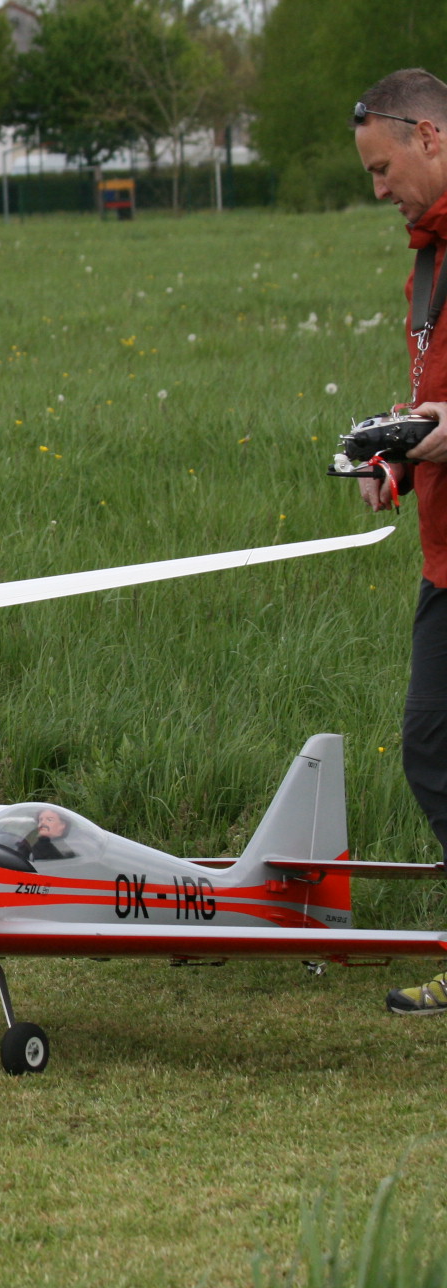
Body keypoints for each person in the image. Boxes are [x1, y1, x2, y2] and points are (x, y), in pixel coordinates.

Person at [353, 69, 447, 1015]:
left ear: (428, 135)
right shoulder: (425, 260)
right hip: (443, 554)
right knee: (430, 743)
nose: (378, 190)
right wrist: (399, 455)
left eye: (384, 169)